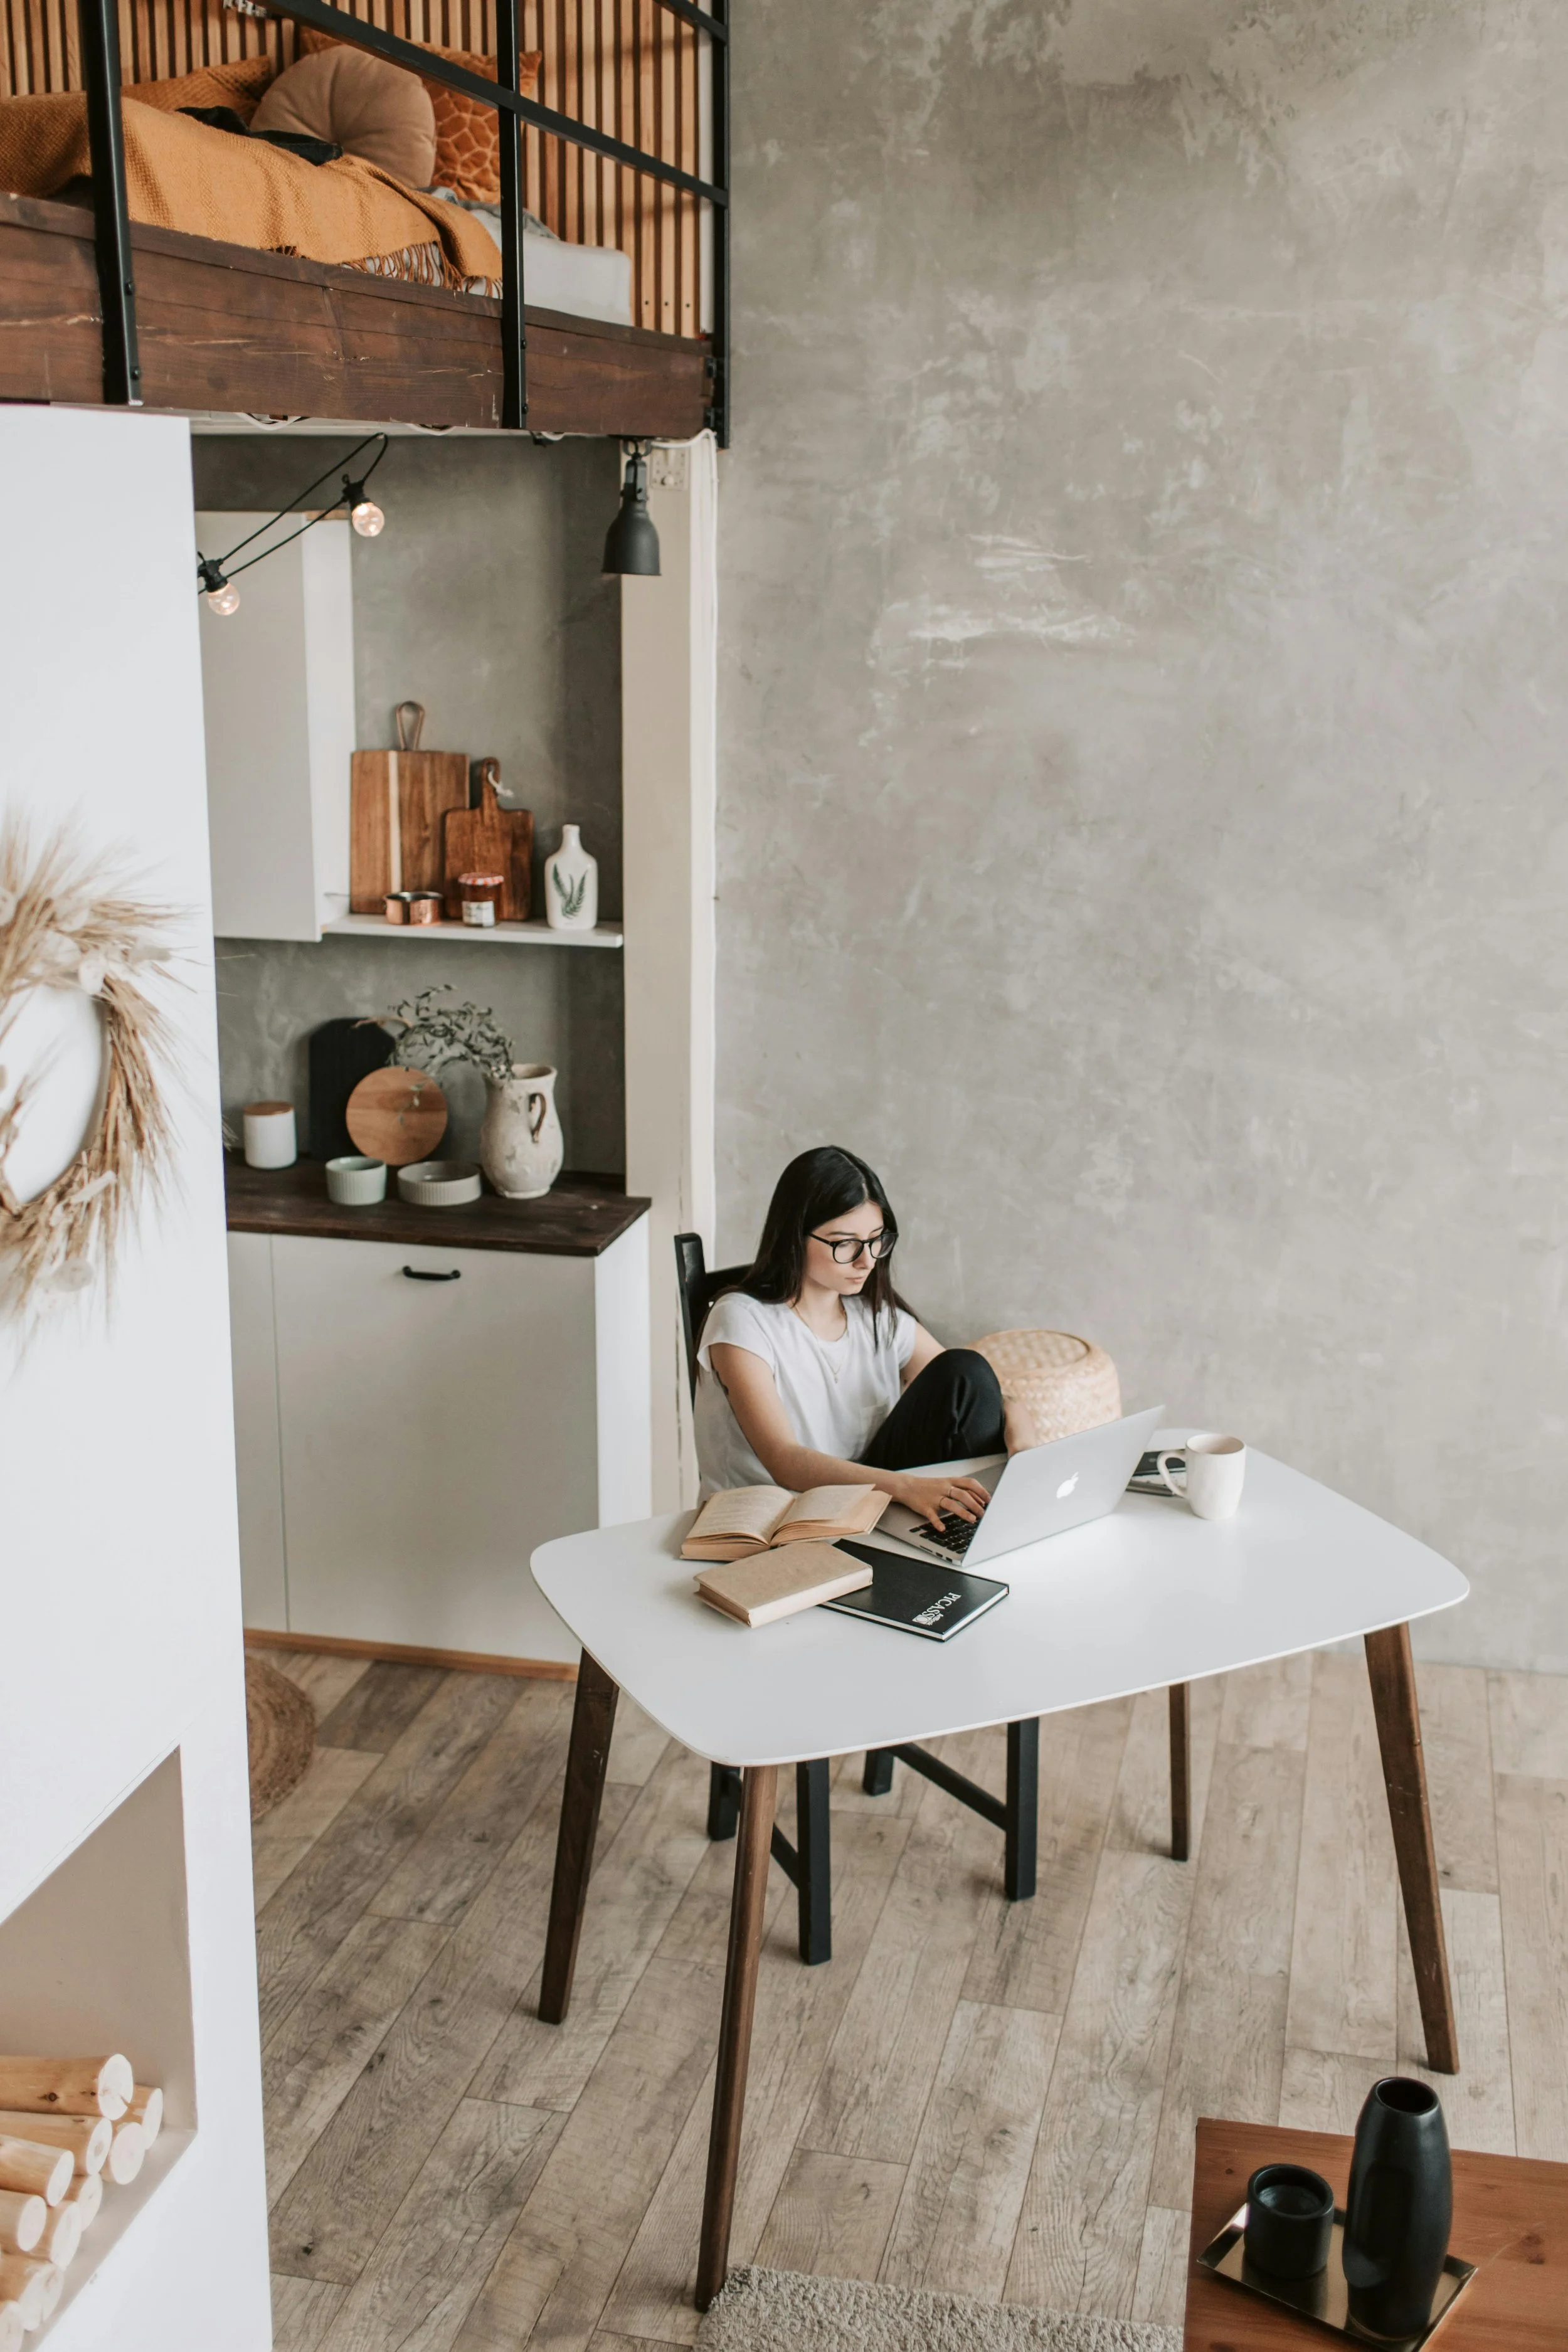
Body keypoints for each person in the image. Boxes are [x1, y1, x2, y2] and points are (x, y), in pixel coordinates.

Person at [695, 1145, 1035, 1529]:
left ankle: (978, 1534)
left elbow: (971, 1389)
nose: (867, 1261)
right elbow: (783, 1459)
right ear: (795, 1236)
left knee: (965, 1368)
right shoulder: (741, 1321)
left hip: (864, 1504)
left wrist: (1020, 1427)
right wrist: (907, 1487)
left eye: (876, 1240)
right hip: (771, 1522)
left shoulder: (875, 1316)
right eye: (846, 1244)